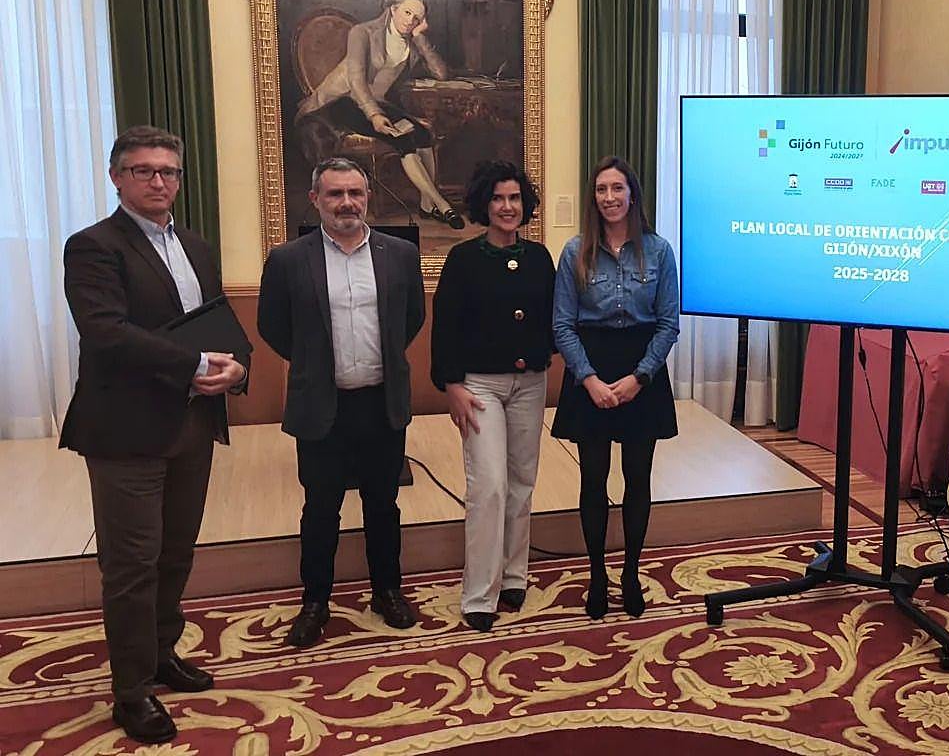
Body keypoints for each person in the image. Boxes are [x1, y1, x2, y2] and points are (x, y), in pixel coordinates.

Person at [61, 125, 249, 744]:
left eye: (168, 171)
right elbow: (106, 333)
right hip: (127, 431)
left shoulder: (195, 245)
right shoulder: (93, 247)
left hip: (191, 423)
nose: (158, 181)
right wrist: (195, 365)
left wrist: (237, 368)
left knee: (175, 553)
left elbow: (215, 320)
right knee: (131, 566)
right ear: (117, 178)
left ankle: (163, 652)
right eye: (143, 170)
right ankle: (132, 690)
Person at [257, 157, 426, 648]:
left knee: (383, 505)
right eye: (335, 194)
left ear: (368, 197)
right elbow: (272, 326)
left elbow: (411, 318)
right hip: (321, 405)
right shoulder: (288, 259)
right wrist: (312, 362)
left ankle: (387, 591)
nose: (347, 203)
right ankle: (315, 602)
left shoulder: (400, 255)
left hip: (381, 403)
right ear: (315, 199)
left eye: (355, 193)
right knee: (320, 508)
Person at [551, 156, 680, 619]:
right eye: (601, 189)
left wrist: (640, 377)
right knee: (593, 479)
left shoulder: (659, 251)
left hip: (642, 372)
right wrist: (588, 379)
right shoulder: (575, 252)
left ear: (632, 194)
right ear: (594, 198)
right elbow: (562, 325)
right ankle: (597, 576)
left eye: (617, 188)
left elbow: (668, 323)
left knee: (638, 480)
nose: (609, 197)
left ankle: (629, 573)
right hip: (590, 369)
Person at [430, 160, 556, 632]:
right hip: (479, 386)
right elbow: (445, 326)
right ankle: (480, 593)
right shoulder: (463, 258)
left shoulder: (540, 257)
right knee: (489, 486)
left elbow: (553, 317)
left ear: (525, 204)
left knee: (522, 483)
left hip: (530, 384)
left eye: (515, 198)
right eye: (499, 198)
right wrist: (452, 385)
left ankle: (514, 576)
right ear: (485, 204)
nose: (507, 206)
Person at [296, 0, 465, 229]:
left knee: (423, 135)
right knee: (403, 139)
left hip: (374, 102)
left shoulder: (410, 41)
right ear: (393, 9)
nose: (411, 20)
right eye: (407, 12)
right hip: (340, 103)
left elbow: (441, 73)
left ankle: (428, 205)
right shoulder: (362, 32)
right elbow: (356, 80)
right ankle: (443, 205)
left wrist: (420, 37)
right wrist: (374, 115)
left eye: (417, 17)